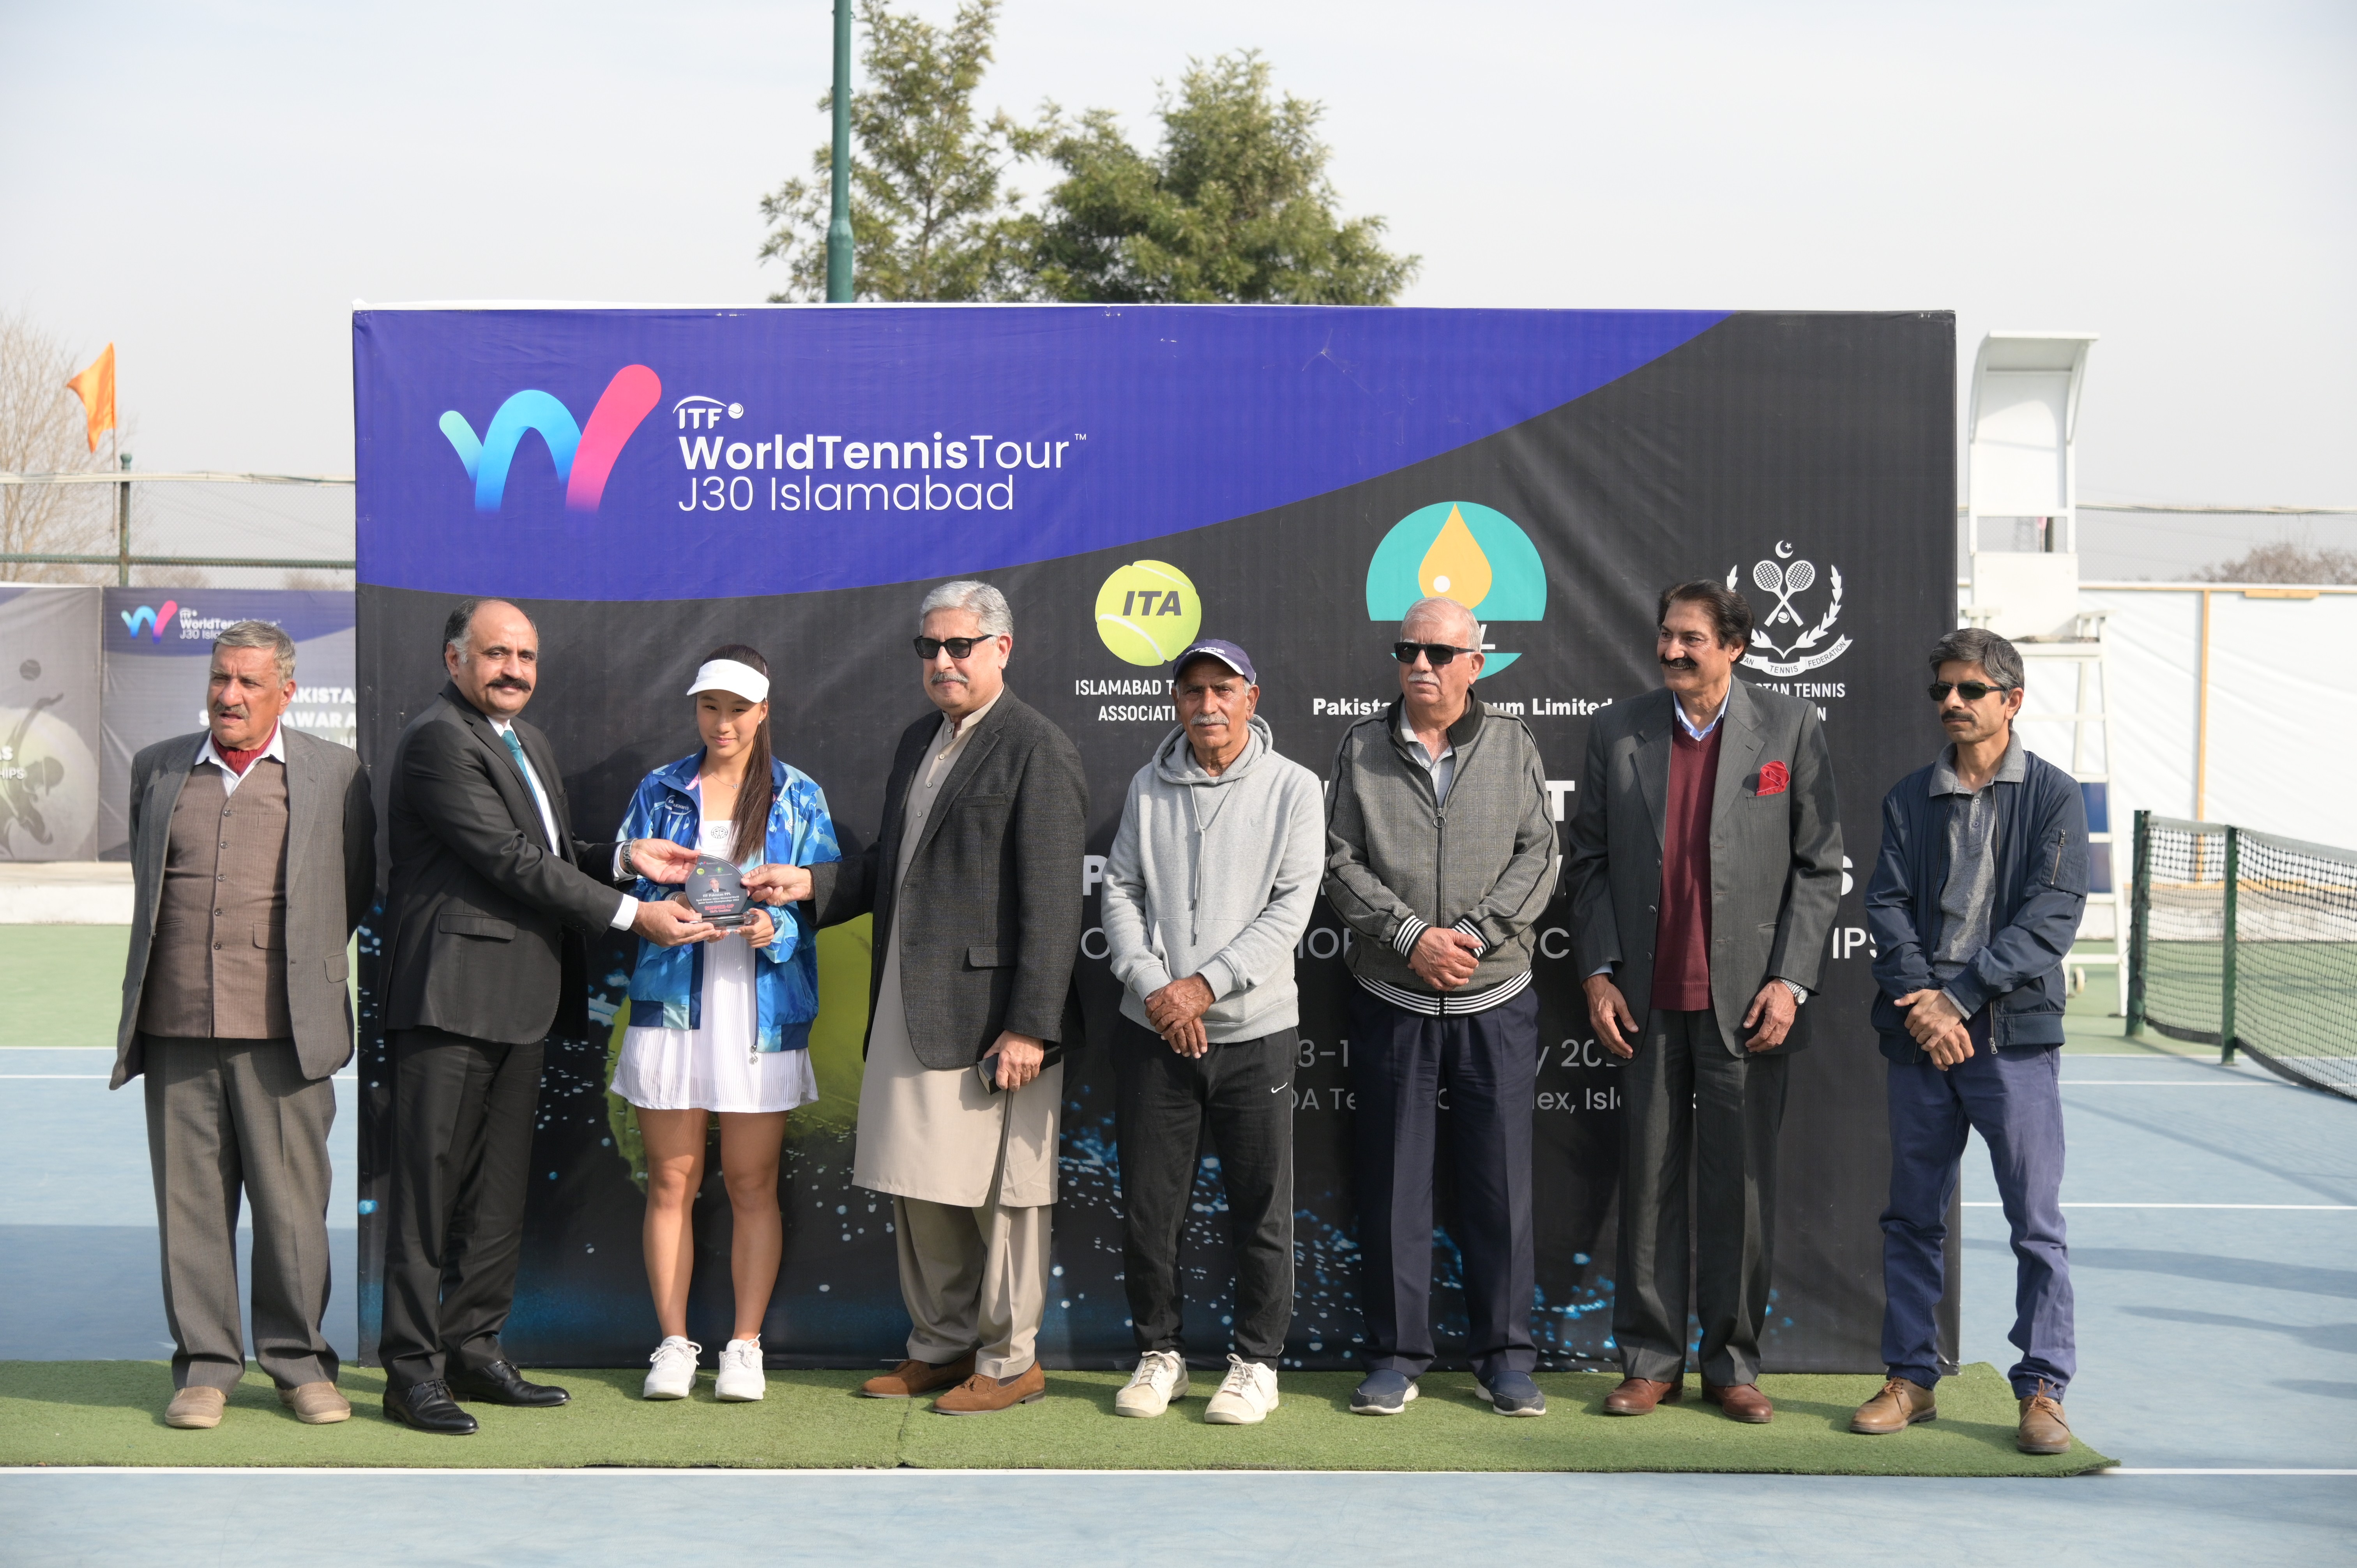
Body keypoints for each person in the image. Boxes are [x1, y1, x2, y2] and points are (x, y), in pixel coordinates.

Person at [751, 579, 1085, 1415]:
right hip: (907, 1001)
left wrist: (1031, 1025)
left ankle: (1011, 1363)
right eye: (929, 648)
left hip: (996, 1023)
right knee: (919, 1184)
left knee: (1005, 1196)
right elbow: (888, 867)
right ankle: (940, 1346)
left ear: (1001, 649)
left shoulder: (1036, 746)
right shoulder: (918, 741)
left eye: (958, 646)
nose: (942, 661)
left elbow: (1053, 904)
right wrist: (810, 883)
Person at [377, 598, 708, 1435]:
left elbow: (553, 855)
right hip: (448, 1002)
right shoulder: (439, 740)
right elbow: (508, 859)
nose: (513, 669)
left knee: (496, 1194)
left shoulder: (527, 741)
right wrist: (634, 914)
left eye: (525, 655)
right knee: (427, 1195)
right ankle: (411, 1371)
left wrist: (626, 859)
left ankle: (475, 1350)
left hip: (520, 1002)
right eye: (495, 654)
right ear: (455, 659)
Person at [1567, 580, 1841, 1424]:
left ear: (1735, 647)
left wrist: (1790, 980)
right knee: (1647, 1185)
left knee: (1742, 1192)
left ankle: (1733, 1362)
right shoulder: (1619, 729)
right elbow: (1589, 862)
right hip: (1646, 999)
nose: (1673, 650)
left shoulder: (1790, 729)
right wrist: (1599, 970)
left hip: (1749, 1006)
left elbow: (1820, 866)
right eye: (1666, 635)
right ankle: (1651, 1360)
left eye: (1692, 637)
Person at [111, 620, 374, 1430]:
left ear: (286, 691)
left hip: (287, 1033)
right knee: (190, 1209)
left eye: (249, 683)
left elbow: (354, 887)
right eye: (221, 678)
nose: (229, 695)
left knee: (294, 1211)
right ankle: (205, 1367)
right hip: (177, 1024)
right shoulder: (158, 767)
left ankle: (299, 1362)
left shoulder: (336, 774)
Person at [1852, 628, 2085, 1456]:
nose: (1951, 702)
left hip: (2010, 1038)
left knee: (2035, 1223)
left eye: (1970, 689)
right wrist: (1924, 1001)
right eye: (1943, 689)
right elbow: (1885, 903)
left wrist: (1957, 999)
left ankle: (2044, 1388)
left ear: (2011, 702)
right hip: (1922, 1035)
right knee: (1912, 1216)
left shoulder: (2055, 797)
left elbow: (2050, 920)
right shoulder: (1909, 795)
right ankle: (1911, 1378)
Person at [1323, 596, 1557, 1418]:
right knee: (1395, 1188)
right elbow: (1337, 859)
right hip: (1394, 993)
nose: (1420, 664)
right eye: (1407, 649)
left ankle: (1506, 1356)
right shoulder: (1360, 747)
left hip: (1496, 996)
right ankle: (1396, 1354)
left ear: (1475, 664)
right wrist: (1413, 934)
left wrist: (1471, 933)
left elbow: (1541, 853)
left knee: (1500, 1187)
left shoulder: (1514, 743)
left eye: (1438, 652)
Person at [1099, 639, 1324, 1425]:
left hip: (1255, 1031)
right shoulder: (1146, 786)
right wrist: (1158, 987)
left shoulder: (1295, 787)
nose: (1207, 704)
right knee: (1151, 1208)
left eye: (1222, 689)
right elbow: (1121, 889)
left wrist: (1204, 985)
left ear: (1250, 698)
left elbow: (1290, 908)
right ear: (1177, 702)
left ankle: (1257, 1362)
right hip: (1155, 1028)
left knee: (1260, 1207)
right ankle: (1160, 1353)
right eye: (1192, 690)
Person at [613, 647, 840, 1403]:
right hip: (674, 1006)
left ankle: (745, 1344)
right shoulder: (660, 788)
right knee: (672, 1179)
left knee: (751, 1181)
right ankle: (674, 1342)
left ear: (763, 710)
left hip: (762, 1012)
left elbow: (820, 904)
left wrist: (773, 929)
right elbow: (628, 883)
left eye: (738, 708)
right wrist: (659, 914)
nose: (723, 722)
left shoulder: (799, 794)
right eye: (710, 706)